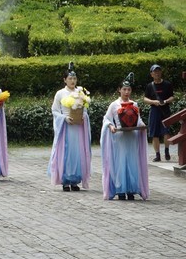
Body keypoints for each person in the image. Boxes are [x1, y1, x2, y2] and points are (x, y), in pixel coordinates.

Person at [101, 75, 150, 201]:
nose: (126, 92)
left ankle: (131, 189)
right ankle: (121, 189)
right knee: (121, 162)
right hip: (120, 138)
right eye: (124, 89)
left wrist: (142, 125)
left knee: (132, 162)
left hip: (132, 137)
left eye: (128, 89)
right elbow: (106, 118)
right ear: (119, 90)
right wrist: (111, 126)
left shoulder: (134, 104)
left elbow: (138, 120)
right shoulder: (114, 105)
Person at [49, 63, 91, 192]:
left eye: (74, 78)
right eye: (70, 78)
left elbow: (84, 109)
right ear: (65, 80)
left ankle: (75, 180)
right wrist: (64, 118)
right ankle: (65, 180)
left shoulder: (80, 93)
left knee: (77, 153)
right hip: (66, 127)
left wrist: (83, 116)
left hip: (77, 127)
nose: (72, 81)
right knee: (66, 153)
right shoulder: (60, 93)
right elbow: (55, 110)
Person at [143, 63, 175, 162]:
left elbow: (172, 97)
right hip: (154, 110)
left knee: (166, 132)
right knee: (154, 133)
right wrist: (153, 102)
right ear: (151, 74)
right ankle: (157, 155)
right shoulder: (149, 86)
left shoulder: (167, 84)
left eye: (158, 71)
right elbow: (145, 99)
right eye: (155, 71)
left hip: (165, 110)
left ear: (161, 72)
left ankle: (166, 151)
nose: (157, 73)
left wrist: (165, 101)